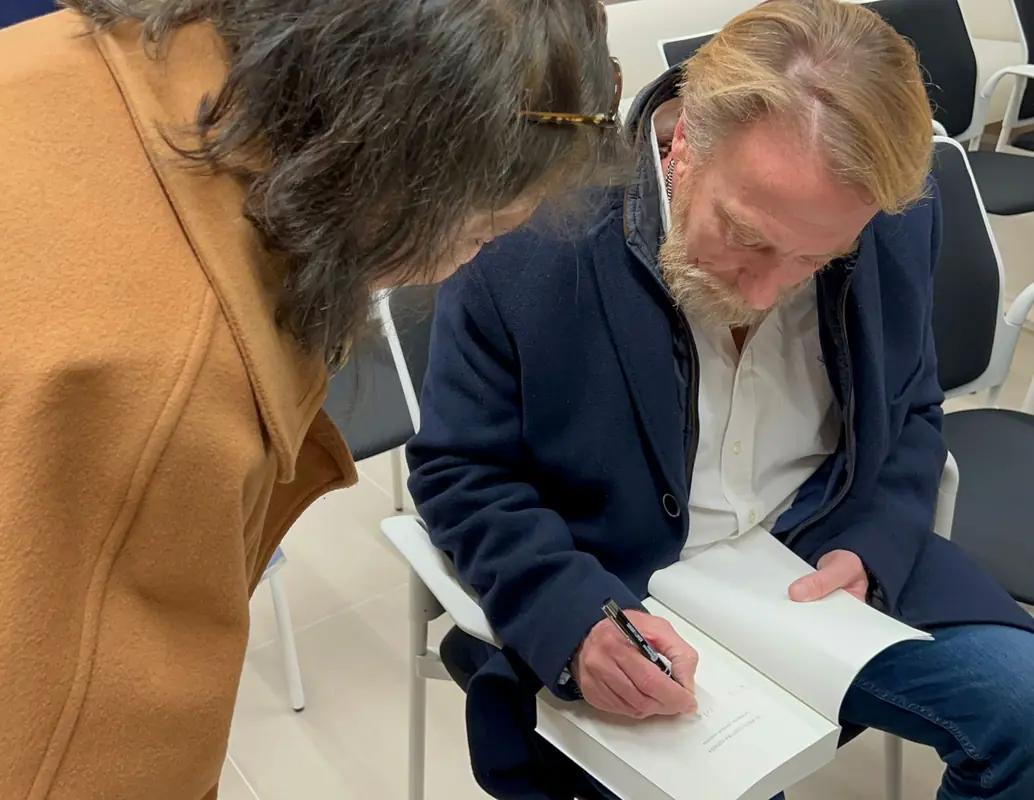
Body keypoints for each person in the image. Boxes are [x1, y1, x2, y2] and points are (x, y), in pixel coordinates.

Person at [407, 1, 1034, 798]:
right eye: (748, 236)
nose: (766, 290)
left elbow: (910, 409)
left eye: (818, 258)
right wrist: (570, 616)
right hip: (616, 576)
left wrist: (873, 544)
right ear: (684, 141)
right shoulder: (532, 236)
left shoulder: (896, 216)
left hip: (818, 541)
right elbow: (461, 473)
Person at [0, 0, 626, 797]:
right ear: (391, 166)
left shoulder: (105, 45)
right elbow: (66, 761)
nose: (454, 271)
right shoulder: (181, 388)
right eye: (483, 232)